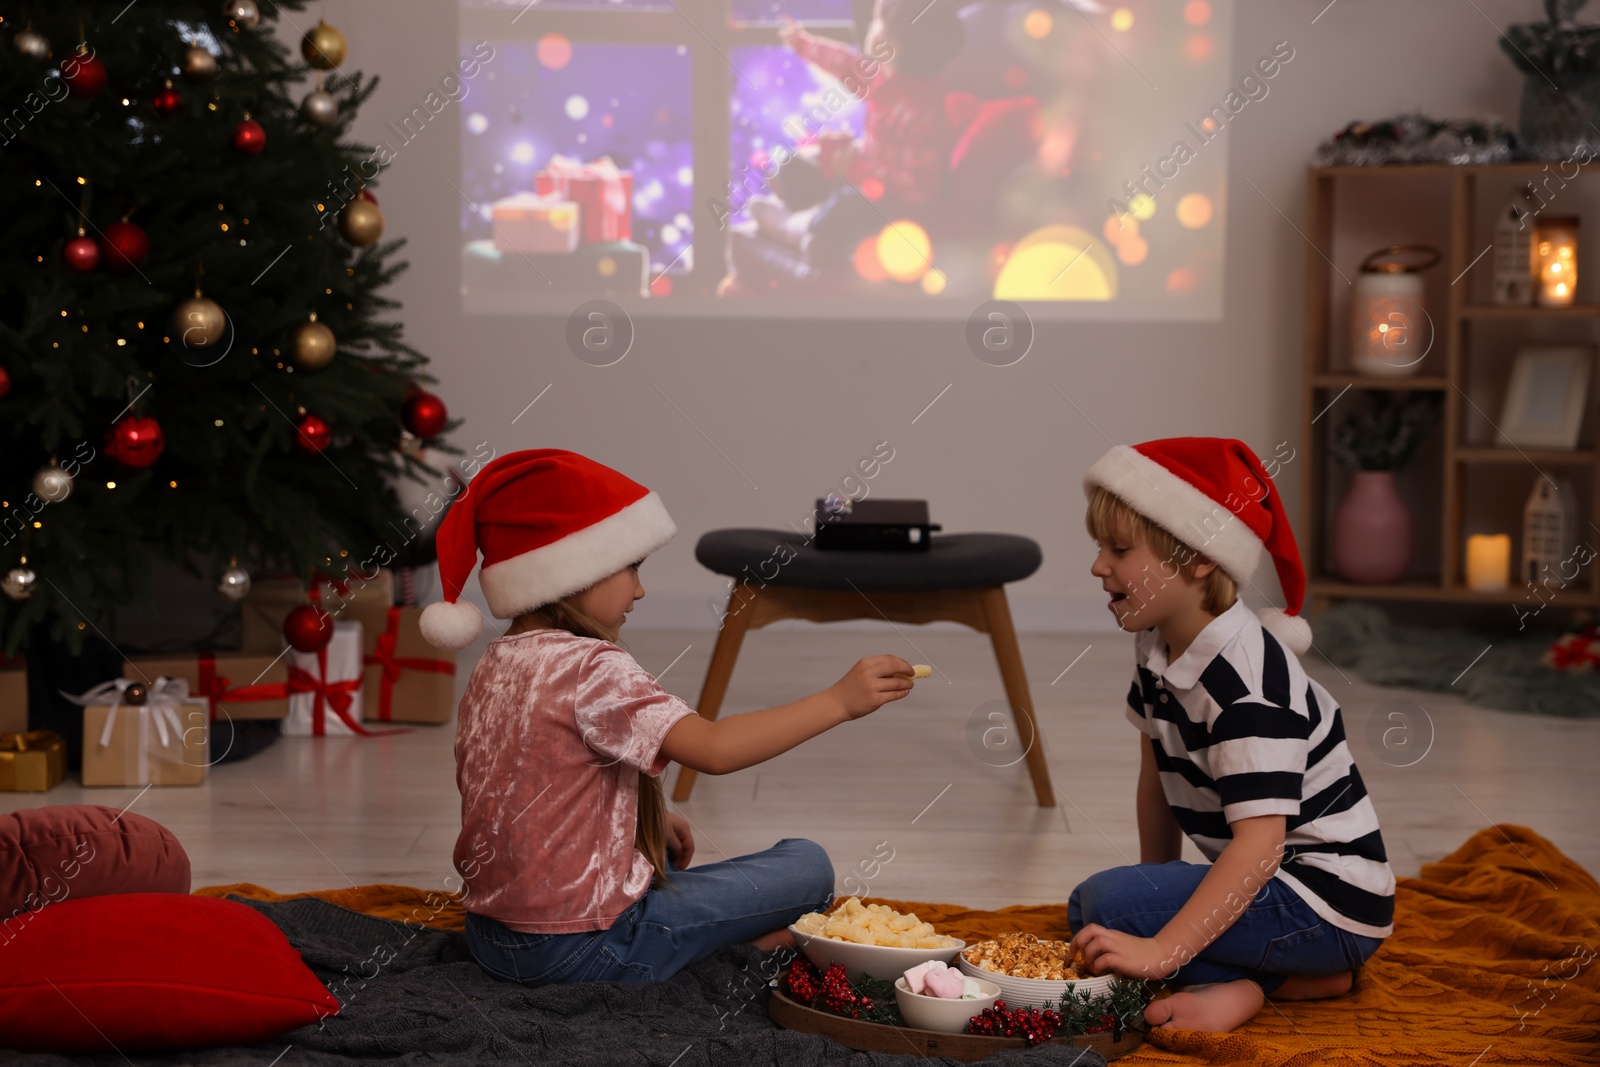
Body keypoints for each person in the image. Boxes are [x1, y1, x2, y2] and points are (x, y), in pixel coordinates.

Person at [418, 449, 918, 985]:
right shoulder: (592, 665)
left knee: (675, 864)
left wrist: (626, 822)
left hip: (491, 941)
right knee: (807, 866)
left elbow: (529, 785)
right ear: (578, 569)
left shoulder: (493, 664)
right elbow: (715, 749)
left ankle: (709, 942)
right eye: (631, 567)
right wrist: (838, 702)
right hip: (585, 950)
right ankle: (724, 957)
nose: (639, 589)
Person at [1069, 438, 1394, 1032]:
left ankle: (1257, 985)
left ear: (1198, 559)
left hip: (1329, 904)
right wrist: (1153, 890)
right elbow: (1155, 779)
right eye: (1099, 548)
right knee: (1100, 911)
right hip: (1274, 886)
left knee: (1108, 910)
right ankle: (1298, 981)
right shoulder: (1154, 644)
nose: (1098, 566)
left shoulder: (1247, 685)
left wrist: (1161, 948)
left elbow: (1261, 845)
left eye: (1119, 549)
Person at [748, 0, 965, 266]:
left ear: (891, 45)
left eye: (877, 22)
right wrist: (802, 43)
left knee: (849, 206)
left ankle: (802, 230)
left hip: (892, 212)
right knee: (796, 165)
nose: (870, 27)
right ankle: (818, 223)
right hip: (864, 182)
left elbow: (917, 189)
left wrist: (856, 168)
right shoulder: (881, 78)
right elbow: (844, 62)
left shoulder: (921, 111)